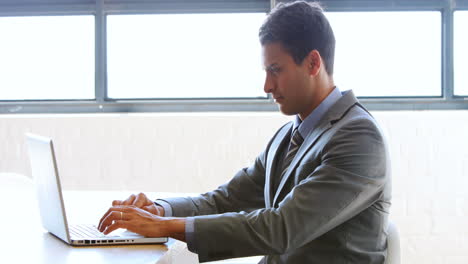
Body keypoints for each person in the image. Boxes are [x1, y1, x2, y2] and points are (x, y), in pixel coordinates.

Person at [98, 1, 391, 263]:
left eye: (276, 70)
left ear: (313, 63)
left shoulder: (359, 138)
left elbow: (281, 228)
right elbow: (224, 200)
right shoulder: (287, 136)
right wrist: (159, 210)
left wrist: (163, 228)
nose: (267, 86)